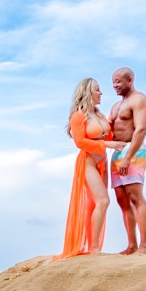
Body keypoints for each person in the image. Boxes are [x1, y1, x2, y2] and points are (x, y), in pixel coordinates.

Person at [58, 78, 126, 258]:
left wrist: (137, 144)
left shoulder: (100, 115)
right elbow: (80, 143)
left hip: (101, 162)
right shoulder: (78, 116)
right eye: (97, 90)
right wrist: (107, 146)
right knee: (103, 201)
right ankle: (94, 249)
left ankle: (92, 247)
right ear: (88, 92)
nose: (101, 93)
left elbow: (111, 137)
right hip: (88, 162)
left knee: (93, 204)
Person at [108, 67, 146, 254]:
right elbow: (107, 129)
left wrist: (128, 157)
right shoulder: (116, 106)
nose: (115, 86)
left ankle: (144, 246)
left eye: (118, 81)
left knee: (135, 197)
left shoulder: (140, 100)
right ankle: (131, 245)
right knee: (122, 200)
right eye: (113, 82)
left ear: (130, 80)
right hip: (117, 153)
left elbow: (141, 129)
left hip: (132, 153)